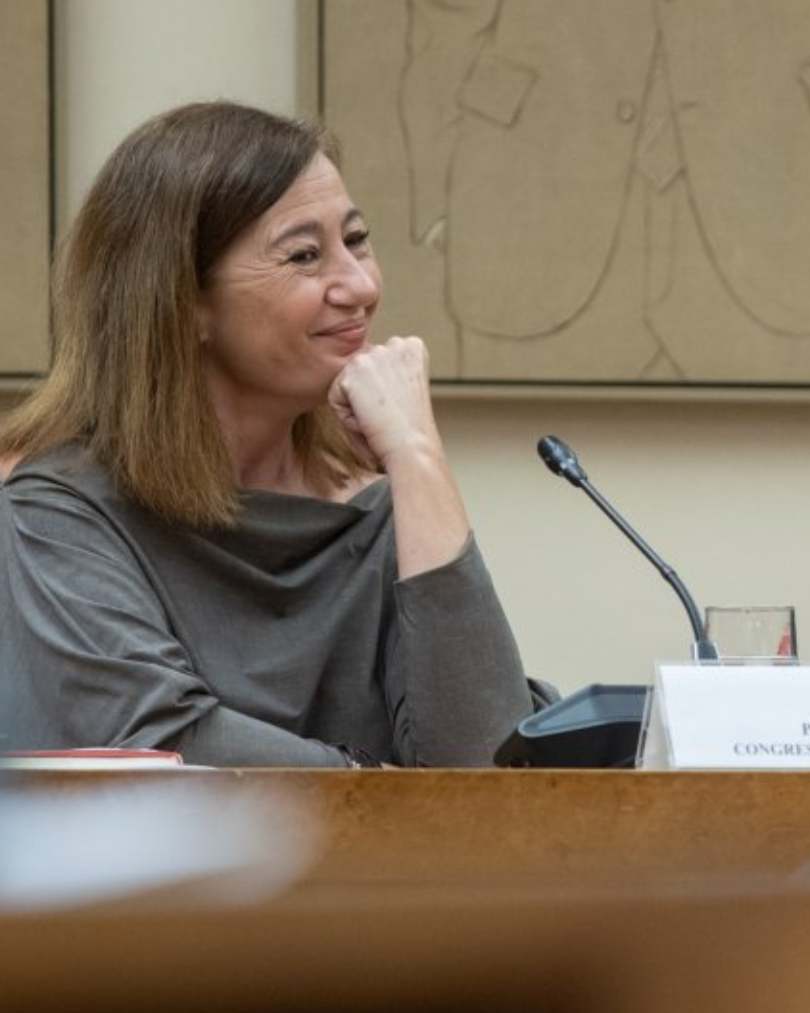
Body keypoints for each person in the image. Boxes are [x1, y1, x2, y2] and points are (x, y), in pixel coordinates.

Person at [0, 102, 549, 766]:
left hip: (386, 873)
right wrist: (396, 791)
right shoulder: (55, 515)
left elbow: (489, 771)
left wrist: (416, 457)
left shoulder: (381, 512)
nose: (361, 284)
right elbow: (170, 750)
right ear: (186, 301)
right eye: (306, 255)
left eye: (357, 239)